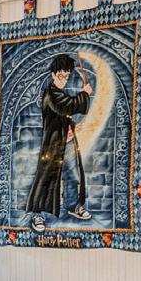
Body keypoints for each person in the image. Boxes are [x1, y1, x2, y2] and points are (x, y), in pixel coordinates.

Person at [25, 53, 93, 231]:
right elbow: (66, 105)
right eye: (61, 76)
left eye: (67, 76)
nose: (64, 80)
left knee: (73, 175)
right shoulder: (51, 94)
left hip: (68, 141)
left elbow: (63, 115)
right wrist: (85, 94)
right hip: (54, 144)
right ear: (53, 74)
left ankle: (72, 205)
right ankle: (38, 215)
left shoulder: (59, 93)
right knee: (46, 177)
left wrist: (72, 125)